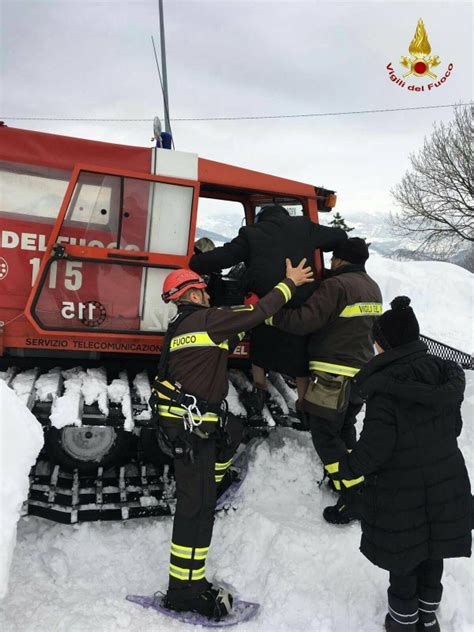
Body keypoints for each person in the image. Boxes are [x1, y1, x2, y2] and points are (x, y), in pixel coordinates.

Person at [151, 258, 313, 620]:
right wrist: (289, 284)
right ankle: (184, 591)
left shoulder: (186, 325)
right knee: (196, 511)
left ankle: (188, 583)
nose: (208, 294)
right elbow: (257, 314)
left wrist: (249, 317)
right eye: (204, 290)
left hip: (184, 428)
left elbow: (234, 331)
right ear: (192, 291)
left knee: (226, 445)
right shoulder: (208, 320)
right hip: (191, 434)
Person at [326, 296, 472, 632]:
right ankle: (427, 618)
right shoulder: (442, 376)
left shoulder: (386, 388)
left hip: (400, 493)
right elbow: (455, 429)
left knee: (404, 560)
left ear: (383, 344)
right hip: (446, 483)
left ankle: (403, 623)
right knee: (433, 553)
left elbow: (375, 449)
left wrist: (345, 467)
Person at [189, 204, 347, 413]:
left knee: (260, 350)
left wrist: (194, 261)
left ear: (260, 218)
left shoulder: (252, 233)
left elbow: (224, 256)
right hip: (300, 307)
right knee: (299, 360)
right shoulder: (304, 227)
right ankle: (303, 405)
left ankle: (259, 390)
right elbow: (339, 236)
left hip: (267, 306)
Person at [268, 237, 382, 523]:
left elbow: (305, 320)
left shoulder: (336, 286)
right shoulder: (372, 287)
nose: (330, 263)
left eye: (333, 259)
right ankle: (352, 481)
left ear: (340, 260)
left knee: (323, 433)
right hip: (361, 374)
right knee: (344, 429)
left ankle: (354, 495)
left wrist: (270, 315)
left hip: (333, 374)